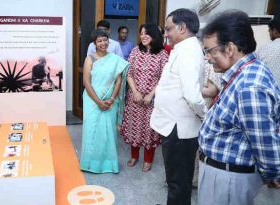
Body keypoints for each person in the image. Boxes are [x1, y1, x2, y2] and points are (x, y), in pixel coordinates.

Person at [199, 10, 280, 205]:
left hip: (228, 179)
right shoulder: (243, 73)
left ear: (230, 48)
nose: (207, 57)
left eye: (209, 50)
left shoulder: (250, 86)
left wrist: (269, 174)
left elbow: (264, 144)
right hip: (225, 174)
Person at [150, 9, 205, 205]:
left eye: (168, 29)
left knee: (178, 182)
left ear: (182, 28)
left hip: (180, 130)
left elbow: (192, 95)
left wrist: (204, 116)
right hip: (174, 126)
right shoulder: (182, 49)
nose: (165, 33)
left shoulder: (189, 52)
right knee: (175, 179)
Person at [120, 23, 168, 172]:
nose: (143, 36)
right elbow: (128, 73)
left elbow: (164, 78)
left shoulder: (162, 55)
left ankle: (148, 159)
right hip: (134, 99)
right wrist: (135, 91)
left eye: (147, 33)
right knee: (133, 128)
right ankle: (134, 156)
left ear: (155, 35)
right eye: (141, 33)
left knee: (149, 130)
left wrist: (150, 95)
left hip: (151, 101)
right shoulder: (135, 51)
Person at [80, 28, 129, 173]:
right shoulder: (90, 59)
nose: (103, 43)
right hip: (91, 99)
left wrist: (112, 98)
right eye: (99, 41)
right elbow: (86, 83)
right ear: (95, 43)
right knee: (91, 131)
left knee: (108, 133)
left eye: (105, 40)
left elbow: (118, 81)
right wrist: (98, 102)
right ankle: (89, 164)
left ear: (109, 41)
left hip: (110, 101)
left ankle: (108, 164)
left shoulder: (115, 59)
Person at [257, 18, 280, 84]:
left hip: (270, 90)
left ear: (274, 31)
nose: (269, 33)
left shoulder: (265, 48)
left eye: (269, 30)